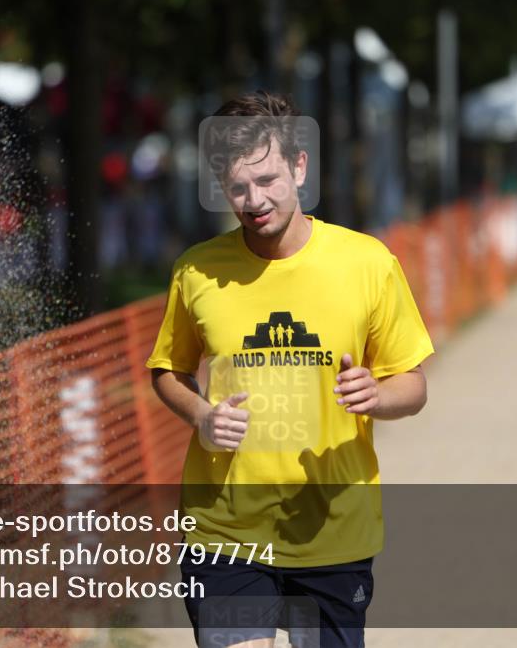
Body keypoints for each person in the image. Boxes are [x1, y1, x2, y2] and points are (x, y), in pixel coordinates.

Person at [146, 91, 433, 648]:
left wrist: (377, 395)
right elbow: (167, 371)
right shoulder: (197, 271)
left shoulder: (367, 263)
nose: (254, 200)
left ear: (299, 167)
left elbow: (414, 385)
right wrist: (202, 416)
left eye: (268, 179)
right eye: (237, 187)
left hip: (333, 530)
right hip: (225, 531)